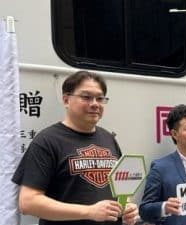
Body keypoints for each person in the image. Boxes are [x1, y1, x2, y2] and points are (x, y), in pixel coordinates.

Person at [12, 71, 139, 225]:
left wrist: (127, 208)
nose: (94, 104)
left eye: (100, 98)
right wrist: (89, 212)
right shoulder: (47, 141)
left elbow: (121, 188)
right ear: (66, 100)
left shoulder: (108, 138)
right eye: (86, 97)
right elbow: (28, 203)